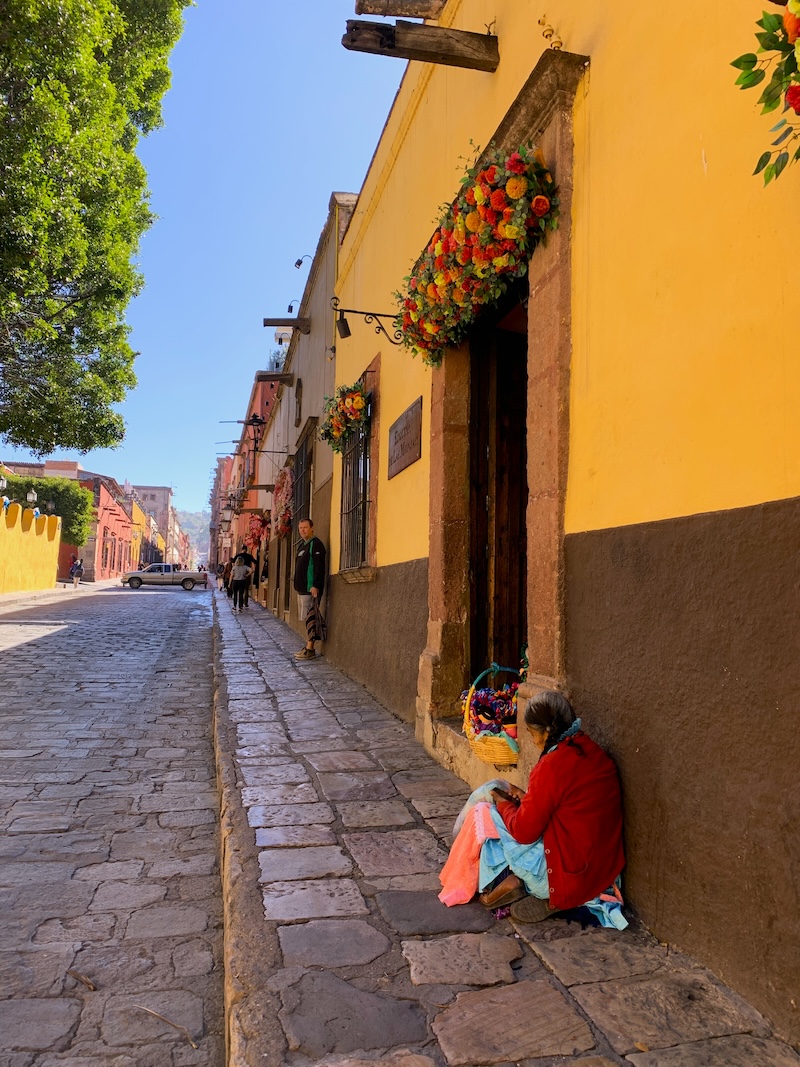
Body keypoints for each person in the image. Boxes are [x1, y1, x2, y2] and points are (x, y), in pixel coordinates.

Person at [439, 690, 626, 927]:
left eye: (532, 733)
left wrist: (503, 804)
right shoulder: (593, 752)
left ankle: (498, 885)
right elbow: (567, 806)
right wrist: (526, 798)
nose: (533, 740)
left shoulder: (552, 765)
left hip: (568, 875)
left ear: (546, 730)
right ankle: (539, 893)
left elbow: (523, 832)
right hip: (601, 873)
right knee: (500, 801)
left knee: (483, 812)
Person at [292, 518, 326, 660]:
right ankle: (307, 645)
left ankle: (310, 649)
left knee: (310, 618)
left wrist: (315, 585)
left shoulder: (316, 544)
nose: (303, 530)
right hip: (301, 589)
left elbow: (319, 567)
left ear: (312, 528)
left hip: (310, 589)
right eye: (300, 528)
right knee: (306, 618)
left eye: (305, 527)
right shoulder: (302, 545)